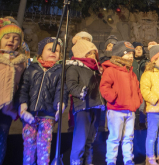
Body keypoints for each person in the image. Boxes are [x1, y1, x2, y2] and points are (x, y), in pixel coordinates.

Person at [17, 37, 67, 165]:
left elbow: (61, 90)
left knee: (44, 146)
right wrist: (23, 106)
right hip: (30, 114)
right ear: (41, 52)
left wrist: (60, 104)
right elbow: (24, 88)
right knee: (29, 145)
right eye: (50, 49)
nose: (53, 52)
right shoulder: (31, 69)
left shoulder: (60, 71)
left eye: (57, 51)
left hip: (47, 115)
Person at [100, 41, 143, 165]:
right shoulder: (111, 70)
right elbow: (105, 87)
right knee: (114, 137)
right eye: (127, 53)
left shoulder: (132, 73)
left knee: (129, 137)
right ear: (119, 54)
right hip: (116, 109)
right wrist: (113, 97)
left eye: (132, 54)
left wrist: (138, 100)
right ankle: (111, 161)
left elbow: (137, 89)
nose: (131, 56)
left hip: (130, 110)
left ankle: (128, 159)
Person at [66, 40, 105, 165]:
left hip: (96, 105)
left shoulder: (96, 69)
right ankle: (76, 161)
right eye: (89, 53)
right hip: (83, 106)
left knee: (91, 137)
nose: (93, 56)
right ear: (81, 54)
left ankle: (88, 161)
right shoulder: (74, 67)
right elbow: (71, 84)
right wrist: (82, 91)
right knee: (81, 138)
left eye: (94, 53)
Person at [0, 17, 26, 165]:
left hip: (7, 108)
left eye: (16, 38)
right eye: (7, 37)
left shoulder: (20, 61)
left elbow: (21, 83)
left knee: (2, 138)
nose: (11, 40)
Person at [68, 32, 93, 131]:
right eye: (84, 39)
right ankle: (72, 125)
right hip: (78, 82)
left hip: (87, 83)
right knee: (74, 106)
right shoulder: (76, 52)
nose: (85, 42)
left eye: (88, 40)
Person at [132, 42, 149, 130]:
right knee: (134, 107)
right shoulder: (130, 61)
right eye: (136, 48)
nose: (138, 50)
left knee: (142, 107)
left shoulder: (146, 62)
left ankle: (142, 124)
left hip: (143, 88)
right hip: (133, 88)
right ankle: (134, 124)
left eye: (140, 48)